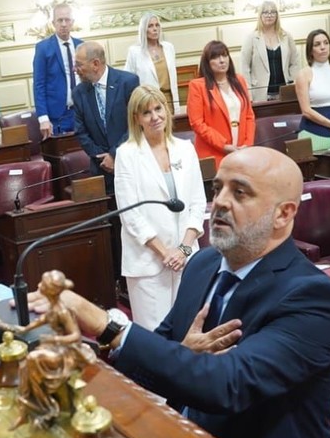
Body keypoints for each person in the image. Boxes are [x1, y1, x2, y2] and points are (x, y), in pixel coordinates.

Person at [26, 147, 330, 438]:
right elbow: (163, 349)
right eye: (218, 188)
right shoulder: (203, 264)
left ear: (284, 213)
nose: (220, 202)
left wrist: (104, 323)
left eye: (240, 192)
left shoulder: (312, 296)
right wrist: (91, 345)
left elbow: (228, 384)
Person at [113, 86, 206, 327]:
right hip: (148, 262)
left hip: (186, 258)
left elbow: (197, 203)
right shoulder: (127, 154)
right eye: (147, 112)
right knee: (154, 336)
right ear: (136, 118)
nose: (155, 117)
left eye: (158, 108)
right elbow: (130, 214)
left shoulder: (185, 148)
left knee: (188, 330)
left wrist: (183, 250)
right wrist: (165, 253)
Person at [73, 41, 138, 193]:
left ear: (95, 64)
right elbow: (80, 132)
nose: (75, 70)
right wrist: (102, 158)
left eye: (79, 65)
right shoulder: (79, 92)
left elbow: (136, 124)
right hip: (101, 169)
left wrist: (114, 155)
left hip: (130, 165)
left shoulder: (128, 82)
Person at [186, 40, 254, 167]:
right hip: (213, 153)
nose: (222, 60)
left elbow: (249, 116)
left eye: (224, 55)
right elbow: (197, 124)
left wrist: (248, 144)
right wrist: (224, 145)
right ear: (207, 62)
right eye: (216, 57)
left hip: (242, 152)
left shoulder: (239, 80)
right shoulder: (197, 86)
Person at [294, 29, 330, 152]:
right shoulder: (304, 74)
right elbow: (306, 111)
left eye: (326, 43)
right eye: (317, 44)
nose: (323, 47)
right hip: (314, 133)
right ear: (310, 50)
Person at [31, 4, 83, 139]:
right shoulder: (43, 48)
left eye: (67, 20)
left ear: (72, 22)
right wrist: (43, 118)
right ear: (53, 23)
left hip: (81, 112)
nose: (64, 24)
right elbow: (39, 85)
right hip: (57, 116)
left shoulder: (81, 45)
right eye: (60, 20)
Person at [240, 2, 301, 101]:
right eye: (265, 12)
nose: (269, 15)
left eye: (272, 12)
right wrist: (248, 93)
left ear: (277, 15)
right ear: (260, 15)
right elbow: (244, 67)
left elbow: (295, 63)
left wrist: (293, 82)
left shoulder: (286, 36)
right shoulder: (251, 38)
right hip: (260, 95)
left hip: (284, 94)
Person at [123, 12, 179, 108]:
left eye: (157, 25)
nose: (155, 29)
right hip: (148, 101)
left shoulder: (169, 47)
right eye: (150, 26)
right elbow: (128, 80)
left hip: (169, 99)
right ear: (143, 29)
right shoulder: (135, 52)